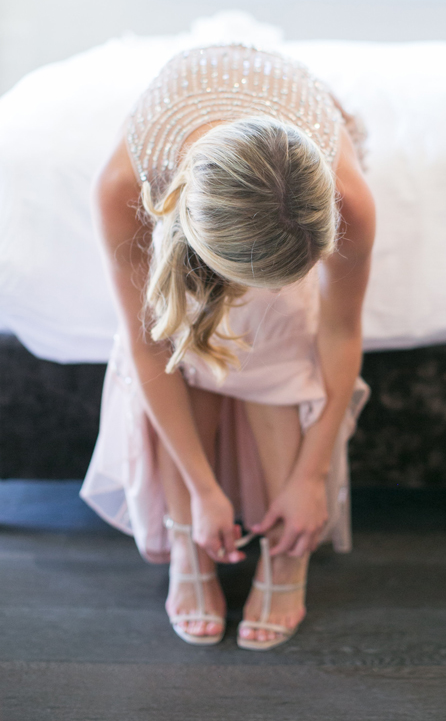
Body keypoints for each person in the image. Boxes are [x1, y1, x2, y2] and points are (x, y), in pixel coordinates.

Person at [80, 44, 375, 650]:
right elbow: (143, 347)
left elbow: (341, 331)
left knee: (280, 333)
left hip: (274, 158)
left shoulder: (348, 200)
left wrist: (311, 478)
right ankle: (188, 540)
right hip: (192, 192)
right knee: (173, 331)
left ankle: (286, 558)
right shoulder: (123, 186)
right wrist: (201, 492)